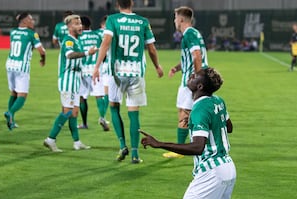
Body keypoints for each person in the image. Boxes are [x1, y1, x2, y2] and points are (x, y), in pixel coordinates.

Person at [140, 67, 236, 199]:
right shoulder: (218, 101)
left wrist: (159, 144)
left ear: (200, 86)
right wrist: (199, 120)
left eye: (195, 76)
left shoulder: (199, 109)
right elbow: (229, 127)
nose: (191, 76)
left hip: (212, 172)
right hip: (228, 168)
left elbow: (198, 147)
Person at [92, 0, 164, 163]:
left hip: (116, 72)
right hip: (136, 73)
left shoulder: (112, 19)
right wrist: (157, 66)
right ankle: (135, 154)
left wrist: (97, 66)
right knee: (134, 114)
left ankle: (122, 145)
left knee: (114, 107)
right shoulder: (143, 22)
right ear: (132, 3)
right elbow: (151, 48)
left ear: (118, 4)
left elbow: (106, 42)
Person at [43, 14, 97, 152]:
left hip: (75, 82)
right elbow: (69, 55)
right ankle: (50, 139)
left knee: (74, 113)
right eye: (76, 24)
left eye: (80, 24)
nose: (80, 26)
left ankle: (77, 142)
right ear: (68, 26)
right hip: (68, 81)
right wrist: (87, 53)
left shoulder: (76, 40)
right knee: (67, 112)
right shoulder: (68, 40)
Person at [163, 6, 208, 158]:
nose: (175, 21)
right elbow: (190, 57)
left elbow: (196, 55)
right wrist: (176, 68)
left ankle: (181, 149)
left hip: (191, 82)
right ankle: (191, 145)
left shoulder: (189, 34)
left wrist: (197, 77)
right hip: (194, 79)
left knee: (184, 113)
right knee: (190, 113)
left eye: (175, 18)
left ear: (181, 19)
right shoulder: (194, 33)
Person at [4, 12, 46, 130]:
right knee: (22, 95)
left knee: (13, 92)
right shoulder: (32, 34)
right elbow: (42, 51)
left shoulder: (13, 32)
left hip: (10, 65)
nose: (33, 22)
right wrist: (43, 59)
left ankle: (11, 121)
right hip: (21, 67)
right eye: (30, 20)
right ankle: (10, 113)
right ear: (24, 22)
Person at [77, 16, 110, 131]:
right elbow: (104, 49)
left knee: (82, 97)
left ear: (82, 25)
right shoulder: (97, 35)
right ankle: (102, 117)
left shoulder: (78, 37)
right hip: (96, 70)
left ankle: (84, 123)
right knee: (99, 96)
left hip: (82, 71)